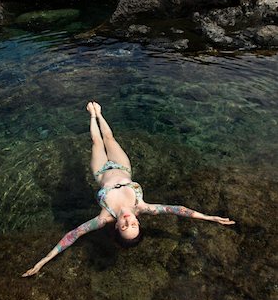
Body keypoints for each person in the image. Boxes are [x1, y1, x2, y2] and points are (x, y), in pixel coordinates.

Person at [22, 101, 235, 277]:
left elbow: (72, 236)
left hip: (100, 172)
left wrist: (42, 262)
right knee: (109, 138)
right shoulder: (142, 207)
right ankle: (99, 113)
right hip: (122, 166)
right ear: (138, 221)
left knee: (96, 141)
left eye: (124, 226)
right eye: (133, 223)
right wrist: (210, 218)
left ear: (117, 228)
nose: (127, 220)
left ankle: (91, 116)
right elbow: (178, 210)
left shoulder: (105, 217)